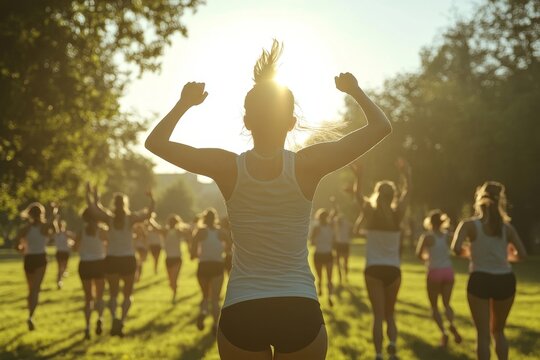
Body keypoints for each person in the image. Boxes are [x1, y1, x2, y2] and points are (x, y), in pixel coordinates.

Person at [145, 39, 391, 359]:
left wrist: (184, 103)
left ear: (246, 121)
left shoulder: (226, 166)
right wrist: (355, 90)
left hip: (242, 309)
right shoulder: (307, 165)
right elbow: (381, 127)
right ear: (291, 123)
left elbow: (156, 142)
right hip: (298, 306)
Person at [451, 181, 527, 360]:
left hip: (480, 280)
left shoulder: (469, 225)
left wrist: (469, 252)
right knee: (498, 331)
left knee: (483, 335)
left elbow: (455, 248)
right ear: (500, 201)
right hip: (505, 281)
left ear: (479, 199)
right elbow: (522, 254)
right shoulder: (507, 228)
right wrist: (505, 257)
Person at [352, 160, 410, 360]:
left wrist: (359, 176)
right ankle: (392, 345)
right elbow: (407, 192)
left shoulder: (370, 212)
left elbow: (358, 196)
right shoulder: (397, 215)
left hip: (373, 270)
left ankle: (378, 354)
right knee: (390, 314)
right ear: (392, 195)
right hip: (393, 270)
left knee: (377, 316)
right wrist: (406, 174)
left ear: (377, 194)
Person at [85, 183, 154, 337]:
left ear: (114, 205)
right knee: (128, 294)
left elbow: (93, 209)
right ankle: (121, 321)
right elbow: (148, 213)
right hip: (128, 259)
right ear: (125, 204)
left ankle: (115, 317)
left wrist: (93, 196)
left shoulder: (108, 218)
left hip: (112, 259)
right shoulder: (130, 219)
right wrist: (152, 199)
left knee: (113, 294)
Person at [416, 210, 461, 348]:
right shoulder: (447, 236)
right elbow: (457, 248)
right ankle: (452, 324)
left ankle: (444, 332)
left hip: (434, 272)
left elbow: (419, 254)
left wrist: (427, 258)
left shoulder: (427, 237)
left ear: (430, 222)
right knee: (447, 304)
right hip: (448, 272)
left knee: (434, 306)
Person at [16, 202, 58, 331]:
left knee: (31, 289)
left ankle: (30, 314)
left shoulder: (25, 229)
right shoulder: (44, 227)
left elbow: (16, 245)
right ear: (41, 214)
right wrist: (54, 212)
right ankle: (31, 316)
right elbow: (55, 231)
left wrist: (23, 249)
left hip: (28, 259)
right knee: (35, 289)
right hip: (40, 258)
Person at [191, 209, 228, 334]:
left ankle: (203, 311)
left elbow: (193, 246)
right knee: (215, 298)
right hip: (217, 265)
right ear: (215, 218)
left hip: (203, 266)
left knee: (205, 295)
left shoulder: (201, 231)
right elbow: (229, 245)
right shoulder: (221, 232)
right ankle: (215, 325)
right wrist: (223, 252)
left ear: (205, 218)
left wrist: (194, 255)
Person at [75, 208, 108, 340]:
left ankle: (87, 326)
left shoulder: (81, 232)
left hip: (85, 264)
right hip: (99, 263)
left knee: (88, 297)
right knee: (99, 296)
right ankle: (100, 318)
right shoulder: (102, 231)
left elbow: (75, 248)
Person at [310, 208, 335, 307]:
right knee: (327, 279)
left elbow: (311, 242)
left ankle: (326, 295)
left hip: (321, 254)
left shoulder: (320, 227)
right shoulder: (326, 227)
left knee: (323, 278)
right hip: (325, 254)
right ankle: (328, 296)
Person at [162, 214, 189, 303]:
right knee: (170, 281)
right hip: (168, 259)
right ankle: (174, 291)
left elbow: (187, 233)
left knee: (174, 279)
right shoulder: (166, 231)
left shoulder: (178, 231)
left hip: (177, 258)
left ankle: (174, 296)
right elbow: (157, 229)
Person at [54, 219, 74, 289]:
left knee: (63, 267)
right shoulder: (58, 234)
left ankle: (60, 278)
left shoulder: (64, 233)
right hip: (61, 252)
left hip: (63, 252)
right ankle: (59, 281)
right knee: (61, 267)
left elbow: (74, 238)